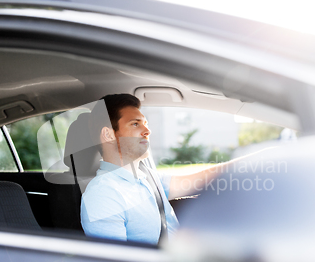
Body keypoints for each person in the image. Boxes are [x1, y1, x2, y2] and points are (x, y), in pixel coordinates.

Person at [80, 94, 244, 245]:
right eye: (135, 124)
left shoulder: (148, 179)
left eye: (146, 124)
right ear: (108, 135)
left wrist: (258, 162)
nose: (147, 131)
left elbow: (207, 178)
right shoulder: (103, 195)